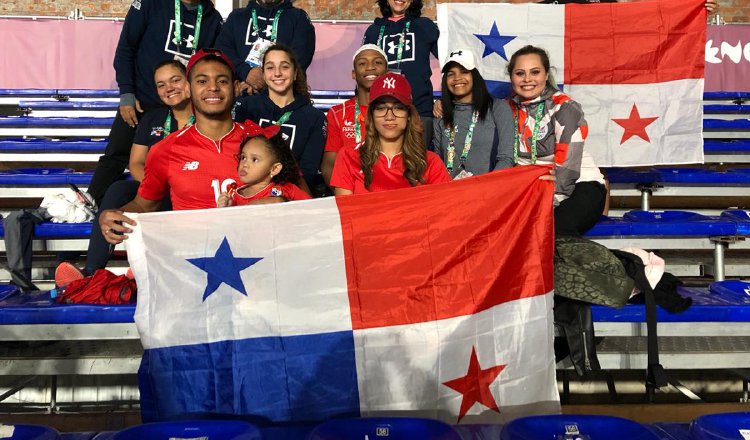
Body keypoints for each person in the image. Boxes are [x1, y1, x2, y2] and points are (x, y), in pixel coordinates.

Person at [55, 60, 193, 287]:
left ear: (188, 83)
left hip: (189, 190)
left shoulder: (206, 116)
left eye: (175, 80)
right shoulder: (152, 118)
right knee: (118, 188)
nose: (169, 88)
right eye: (161, 84)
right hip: (154, 189)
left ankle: (139, 268)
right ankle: (92, 273)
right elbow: (136, 162)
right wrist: (154, 185)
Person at [100, 49, 252, 245]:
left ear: (236, 87)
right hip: (191, 261)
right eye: (202, 81)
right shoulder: (165, 150)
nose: (213, 87)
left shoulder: (263, 141)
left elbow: (299, 203)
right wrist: (116, 214)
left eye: (222, 81)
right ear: (188, 88)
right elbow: (145, 204)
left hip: (253, 259)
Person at [87, 0, 223, 206]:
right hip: (141, 101)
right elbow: (126, 48)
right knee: (116, 155)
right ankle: (92, 202)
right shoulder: (150, 4)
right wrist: (127, 93)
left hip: (183, 105)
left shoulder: (213, 18)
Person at [506, 45, 606, 236]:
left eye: (535, 72)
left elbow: (567, 173)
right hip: (535, 189)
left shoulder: (565, 107)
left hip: (578, 186)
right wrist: (444, 107)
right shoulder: (505, 109)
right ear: (512, 77)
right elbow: (475, 115)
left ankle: (631, 264)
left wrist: (543, 206)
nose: (527, 79)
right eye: (520, 73)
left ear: (546, 75)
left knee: (549, 233)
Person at [330, 72, 451, 195]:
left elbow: (444, 210)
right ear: (371, 114)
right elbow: (345, 211)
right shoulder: (348, 156)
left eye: (398, 108)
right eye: (381, 108)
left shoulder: (431, 162)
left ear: (409, 114)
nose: (389, 116)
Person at [234, 44, 325, 196]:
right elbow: (237, 156)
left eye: (284, 67)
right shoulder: (246, 107)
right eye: (270, 67)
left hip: (289, 198)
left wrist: (274, 192)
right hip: (247, 194)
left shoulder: (314, 117)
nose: (277, 73)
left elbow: (308, 170)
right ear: (263, 74)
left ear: (295, 73)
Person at [362, 0, 438, 148]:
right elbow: (362, 73)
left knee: (418, 166)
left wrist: (445, 100)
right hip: (383, 113)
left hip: (419, 110)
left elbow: (451, 61)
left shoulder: (425, 26)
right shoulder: (373, 31)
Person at [433, 48, 514, 179]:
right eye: (450, 74)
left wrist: (485, 189)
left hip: (488, 192)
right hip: (452, 194)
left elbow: (506, 158)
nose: (457, 78)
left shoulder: (497, 107)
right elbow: (438, 163)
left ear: (475, 75)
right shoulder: (441, 112)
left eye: (464, 72)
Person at [321, 44, 388, 186]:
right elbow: (329, 165)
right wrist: (346, 199)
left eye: (378, 62)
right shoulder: (338, 113)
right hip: (350, 193)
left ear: (387, 72)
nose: (370, 67)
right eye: (362, 63)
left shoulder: (400, 111)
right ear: (353, 73)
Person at [216, 0, 316, 95]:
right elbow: (223, 52)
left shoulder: (299, 18)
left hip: (285, 99)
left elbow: (300, 59)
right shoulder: (236, 17)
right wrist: (246, 73)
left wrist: (263, 79)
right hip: (242, 95)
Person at [217, 122, 311, 207]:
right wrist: (225, 209)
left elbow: (312, 208)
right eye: (243, 157)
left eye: (254, 159)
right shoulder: (234, 196)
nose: (245, 164)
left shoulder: (287, 190)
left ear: (275, 169)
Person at [509, 0, 719, 13]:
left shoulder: (612, 5)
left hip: (598, 81)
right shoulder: (551, 3)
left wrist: (693, 9)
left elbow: (648, 14)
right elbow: (521, 12)